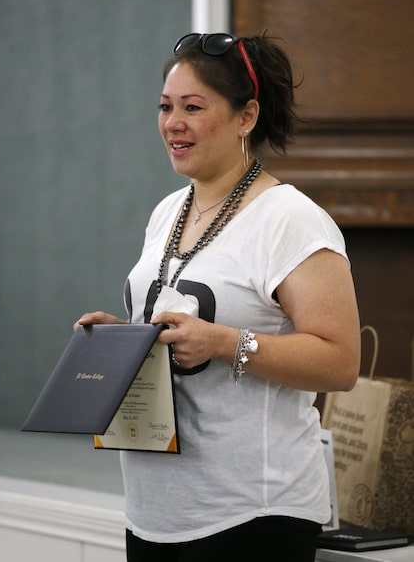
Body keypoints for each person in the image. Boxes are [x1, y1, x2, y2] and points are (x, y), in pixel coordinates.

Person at [75, 32, 360, 562]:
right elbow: (176, 326)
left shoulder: (290, 220)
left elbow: (340, 362)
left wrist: (226, 343)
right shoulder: (167, 212)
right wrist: (124, 339)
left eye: (192, 107)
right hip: (154, 511)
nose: (172, 123)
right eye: (165, 107)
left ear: (246, 117)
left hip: (250, 514)